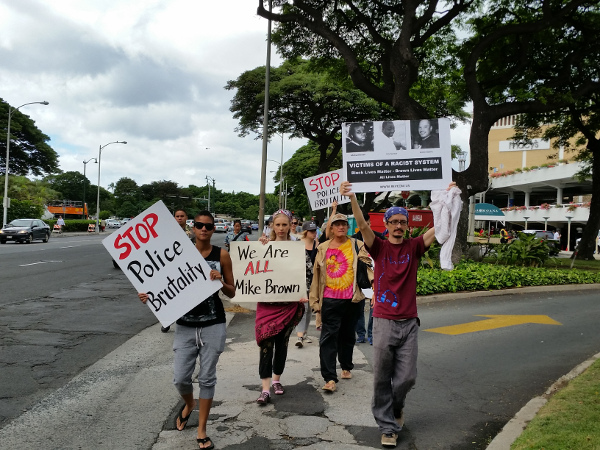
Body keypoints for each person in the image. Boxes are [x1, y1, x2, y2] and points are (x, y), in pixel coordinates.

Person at [341, 179, 455, 448]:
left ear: (407, 225)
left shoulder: (414, 247)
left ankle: (396, 406)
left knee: (407, 377)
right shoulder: (378, 247)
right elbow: (363, 224)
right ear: (388, 225)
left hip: (409, 323)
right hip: (382, 322)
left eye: (403, 222)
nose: (399, 226)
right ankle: (388, 427)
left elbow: (441, 228)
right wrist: (353, 198)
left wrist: (448, 201)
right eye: (394, 222)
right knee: (382, 376)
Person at [137, 210, 235, 450]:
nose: (203, 229)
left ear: (214, 229)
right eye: (199, 225)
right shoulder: (178, 253)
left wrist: (220, 281)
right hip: (185, 326)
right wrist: (148, 296)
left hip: (213, 324)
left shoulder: (222, 255)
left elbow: (232, 291)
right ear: (192, 227)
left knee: (207, 377)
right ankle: (189, 404)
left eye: (208, 226)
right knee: (181, 378)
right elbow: (161, 283)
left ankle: (202, 430)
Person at [309, 212, 373, 393]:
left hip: (353, 298)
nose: (341, 227)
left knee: (347, 335)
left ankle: (346, 366)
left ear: (348, 227)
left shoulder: (357, 244)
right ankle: (329, 378)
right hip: (330, 299)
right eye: (337, 224)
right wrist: (315, 301)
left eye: (344, 224)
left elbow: (368, 265)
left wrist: (374, 286)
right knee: (328, 338)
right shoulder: (323, 247)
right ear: (331, 227)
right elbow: (316, 276)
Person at [255, 209, 306, 405]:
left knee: (282, 344)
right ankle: (265, 388)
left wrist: (304, 292)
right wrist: (260, 248)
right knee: (265, 344)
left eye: (285, 224)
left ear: (290, 224)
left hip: (288, 304)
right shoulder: (263, 245)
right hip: (267, 305)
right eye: (278, 225)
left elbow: (304, 271)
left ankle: (276, 380)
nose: (282, 228)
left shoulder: (297, 247)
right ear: (272, 226)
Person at [351, 212, 384, 344]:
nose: (366, 227)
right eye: (363, 225)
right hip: (359, 278)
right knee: (358, 308)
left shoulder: (379, 237)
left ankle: (372, 334)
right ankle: (360, 334)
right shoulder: (353, 240)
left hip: (375, 278)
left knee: (374, 308)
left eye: (368, 224)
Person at [295, 220, 319, 348]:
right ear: (305, 232)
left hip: (314, 281)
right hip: (301, 281)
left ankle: (304, 333)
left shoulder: (318, 244)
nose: (314, 233)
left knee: (310, 308)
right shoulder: (297, 245)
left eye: (315, 230)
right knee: (302, 308)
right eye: (311, 231)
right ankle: (299, 336)